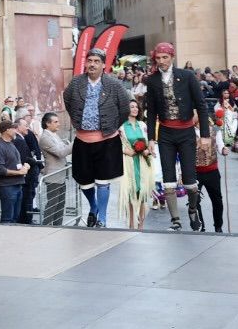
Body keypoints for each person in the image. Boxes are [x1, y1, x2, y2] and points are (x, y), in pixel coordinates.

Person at [141, 42, 210, 231]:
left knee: (189, 180)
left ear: (172, 57)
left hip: (186, 132)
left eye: (165, 57)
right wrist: (151, 139)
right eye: (158, 58)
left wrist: (205, 135)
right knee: (168, 178)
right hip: (165, 133)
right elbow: (152, 112)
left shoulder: (187, 76)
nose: (162, 61)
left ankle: (193, 209)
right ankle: (175, 220)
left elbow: (202, 106)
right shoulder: (153, 80)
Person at [61, 48, 130, 228]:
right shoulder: (76, 83)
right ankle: (93, 207)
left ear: (103, 65)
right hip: (83, 140)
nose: (92, 64)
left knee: (103, 180)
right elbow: (67, 100)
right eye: (89, 60)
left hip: (107, 140)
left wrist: (112, 126)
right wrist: (77, 120)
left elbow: (125, 108)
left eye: (96, 61)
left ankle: (103, 219)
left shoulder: (114, 85)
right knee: (84, 181)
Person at [117, 99, 156, 229]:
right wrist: (124, 150)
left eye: (136, 107)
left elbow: (149, 143)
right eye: (131, 107)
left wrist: (147, 151)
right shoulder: (121, 127)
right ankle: (131, 223)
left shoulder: (142, 125)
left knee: (142, 191)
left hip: (143, 162)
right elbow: (115, 144)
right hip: (128, 162)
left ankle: (141, 224)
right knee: (130, 191)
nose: (134, 109)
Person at [0, 120, 30, 224]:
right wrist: (20, 173)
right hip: (7, 187)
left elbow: (14, 163)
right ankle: (4, 238)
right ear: (7, 130)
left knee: (15, 217)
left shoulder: (11, 144)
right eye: (13, 128)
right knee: (7, 218)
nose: (15, 130)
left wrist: (24, 166)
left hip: (17, 185)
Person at [13, 106, 45, 223]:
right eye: (25, 124)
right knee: (27, 197)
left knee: (29, 196)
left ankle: (26, 218)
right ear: (18, 126)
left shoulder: (21, 137)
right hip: (27, 173)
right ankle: (26, 220)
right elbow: (24, 157)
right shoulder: (18, 140)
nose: (27, 126)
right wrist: (35, 161)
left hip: (29, 172)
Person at [194, 129, 227, 232]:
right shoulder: (188, 129)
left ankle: (218, 226)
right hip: (194, 172)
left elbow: (220, 145)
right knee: (194, 200)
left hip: (212, 171)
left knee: (217, 200)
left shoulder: (215, 130)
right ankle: (200, 226)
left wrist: (223, 150)